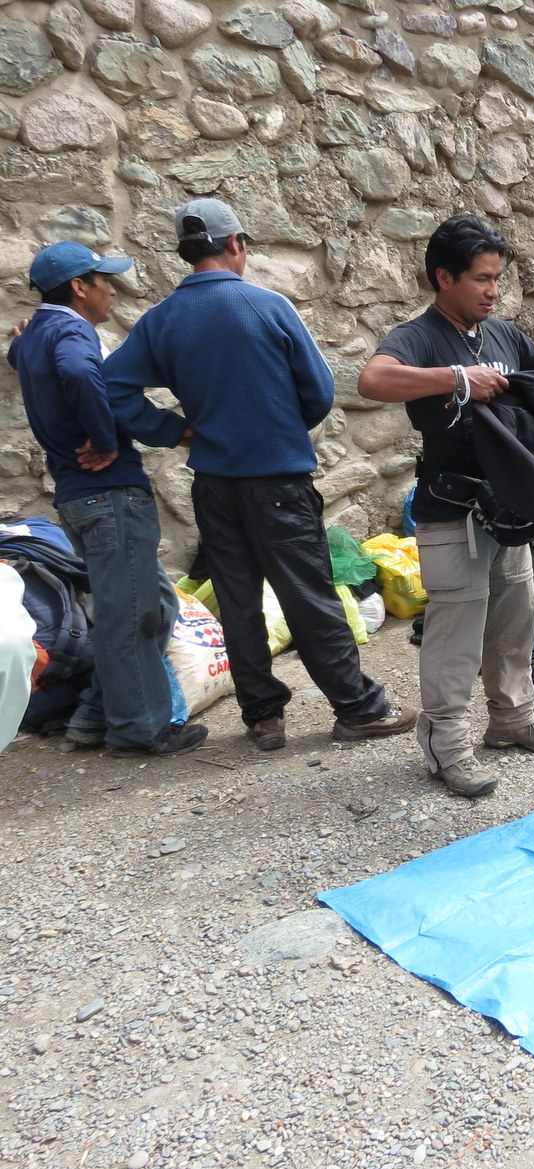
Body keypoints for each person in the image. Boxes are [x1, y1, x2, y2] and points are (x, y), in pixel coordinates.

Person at [104, 198, 415, 754]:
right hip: (277, 480)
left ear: (185, 253)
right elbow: (319, 392)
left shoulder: (161, 320)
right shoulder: (268, 306)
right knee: (309, 596)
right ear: (238, 245)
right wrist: (277, 430)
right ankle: (358, 708)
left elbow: (114, 388)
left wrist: (174, 431)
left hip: (213, 485)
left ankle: (263, 718)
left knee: (237, 599)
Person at [359, 215, 534, 798]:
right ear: (444, 277)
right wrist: (454, 378)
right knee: (456, 635)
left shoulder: (503, 335)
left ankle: (512, 719)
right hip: (451, 513)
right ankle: (446, 747)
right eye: (481, 278)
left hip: (510, 509)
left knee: (514, 622)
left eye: (497, 277)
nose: (493, 290)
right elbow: (372, 381)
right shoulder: (419, 337)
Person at [5, 242, 207, 757]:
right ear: (79, 287)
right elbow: (77, 371)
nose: (111, 290)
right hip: (108, 494)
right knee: (130, 615)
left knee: (155, 604)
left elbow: (23, 355)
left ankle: (96, 711)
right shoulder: (72, 330)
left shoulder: (31, 336)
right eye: (103, 281)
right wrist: (103, 436)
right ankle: (142, 727)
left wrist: (20, 341)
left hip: (81, 499)